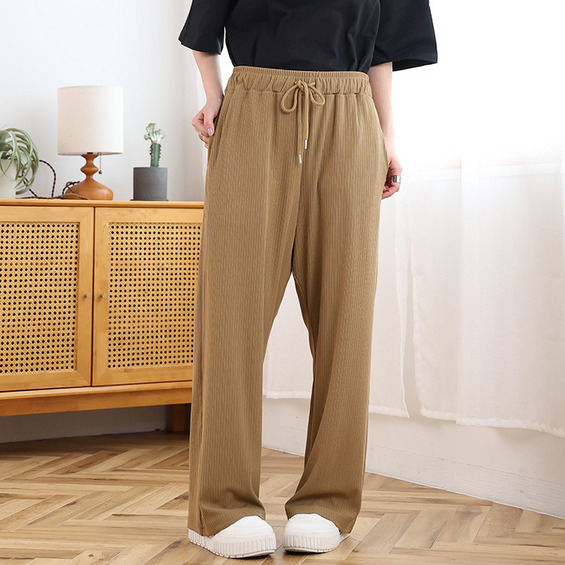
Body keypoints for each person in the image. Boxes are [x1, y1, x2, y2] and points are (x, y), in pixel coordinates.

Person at [179, 0, 438, 559]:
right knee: (232, 315)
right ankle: (221, 506)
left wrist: (387, 134)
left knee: (347, 316)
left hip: (351, 113)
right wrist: (215, 94)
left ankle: (329, 500)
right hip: (252, 107)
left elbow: (382, 49)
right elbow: (203, 26)